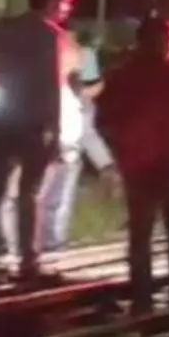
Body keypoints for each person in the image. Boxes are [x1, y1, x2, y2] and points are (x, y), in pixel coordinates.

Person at [94, 17, 169, 315]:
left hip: (139, 164)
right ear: (168, 40)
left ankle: (142, 297)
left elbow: (102, 121)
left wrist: (122, 151)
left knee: (140, 234)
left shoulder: (120, 77)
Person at [0, 0, 80, 279]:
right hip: (36, 121)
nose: (65, 11)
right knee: (28, 192)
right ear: (49, 2)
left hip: (6, 116)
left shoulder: (5, 28)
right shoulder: (51, 36)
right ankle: (27, 258)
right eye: (63, 4)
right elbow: (51, 86)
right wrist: (57, 128)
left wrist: (1, 83)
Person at [38, 30, 117, 253]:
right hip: (50, 155)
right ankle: (35, 249)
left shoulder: (85, 102)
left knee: (62, 206)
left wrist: (106, 164)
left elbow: (88, 133)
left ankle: (55, 248)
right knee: (43, 203)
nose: (88, 92)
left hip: (71, 157)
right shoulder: (50, 95)